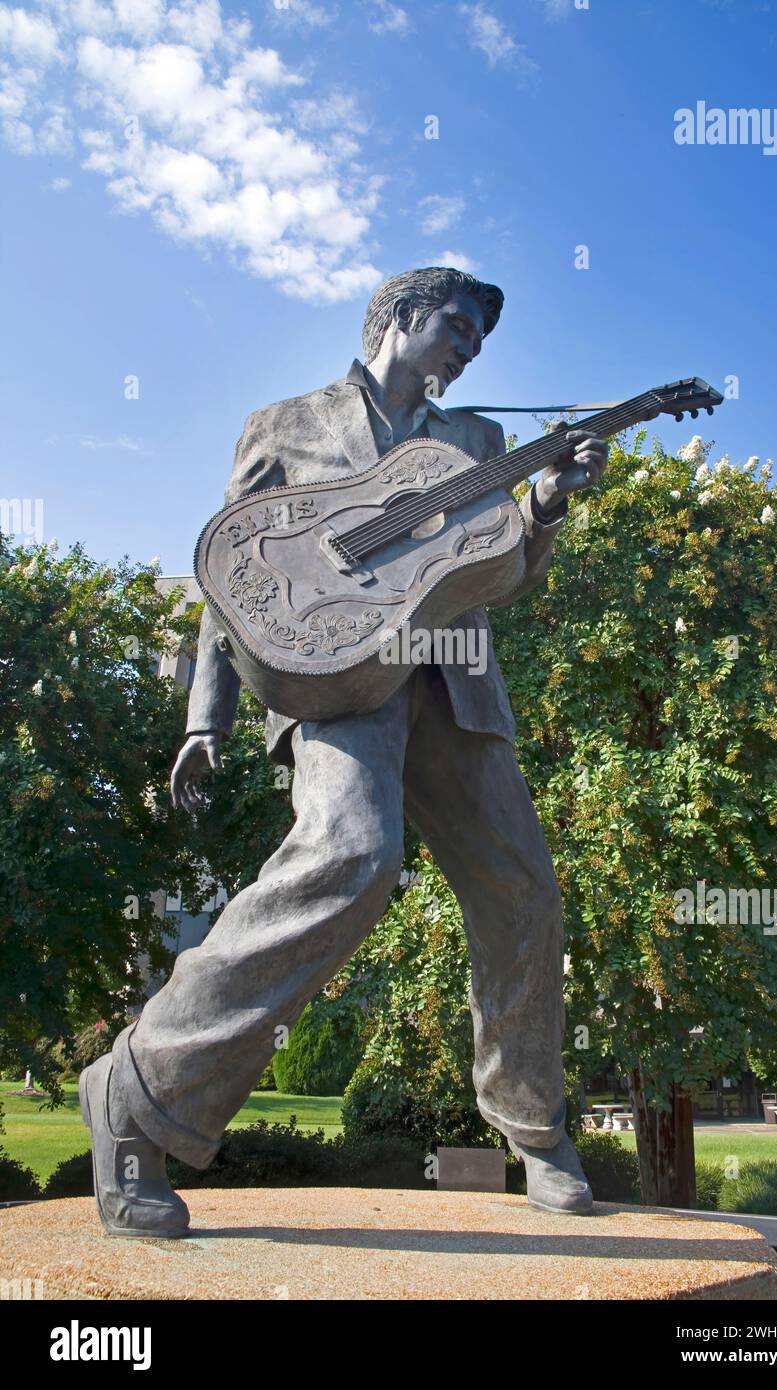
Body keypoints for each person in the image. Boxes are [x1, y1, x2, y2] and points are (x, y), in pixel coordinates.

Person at [80, 267, 609, 1237]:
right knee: (352, 858)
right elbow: (230, 573)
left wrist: (544, 509)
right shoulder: (282, 425)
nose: (467, 348)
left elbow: (499, 573)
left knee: (523, 890)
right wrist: (208, 718)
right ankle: (134, 1094)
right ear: (399, 316)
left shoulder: (478, 442)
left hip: (452, 677)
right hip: (333, 682)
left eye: (479, 341)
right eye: (455, 324)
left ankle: (532, 1121)